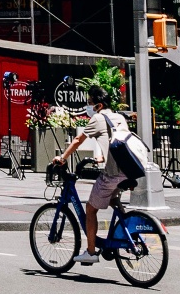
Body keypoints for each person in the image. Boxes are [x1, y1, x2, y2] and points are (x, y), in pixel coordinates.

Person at [49, 85, 134, 266]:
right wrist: (102, 156)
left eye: (90, 103)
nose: (88, 106)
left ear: (99, 105)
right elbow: (116, 141)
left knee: (90, 209)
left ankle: (90, 252)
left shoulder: (98, 118)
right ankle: (128, 231)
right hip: (129, 170)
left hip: (113, 174)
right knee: (113, 200)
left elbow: (78, 140)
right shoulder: (119, 117)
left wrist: (62, 158)